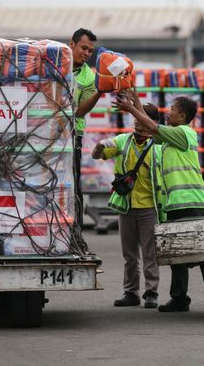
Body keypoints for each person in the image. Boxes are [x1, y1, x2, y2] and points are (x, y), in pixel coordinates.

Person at [115, 91, 204, 314]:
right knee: (177, 253)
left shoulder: (185, 133)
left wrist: (130, 108)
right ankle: (179, 298)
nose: (167, 113)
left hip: (191, 202)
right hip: (174, 204)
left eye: (172, 110)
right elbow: (151, 128)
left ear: (183, 115)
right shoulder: (170, 138)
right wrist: (136, 103)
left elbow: (155, 128)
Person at [93, 103, 163, 309]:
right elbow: (98, 154)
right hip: (126, 206)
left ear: (153, 123)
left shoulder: (159, 146)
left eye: (143, 122)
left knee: (150, 254)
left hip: (149, 207)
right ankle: (131, 292)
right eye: (136, 122)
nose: (139, 127)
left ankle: (151, 292)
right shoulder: (123, 140)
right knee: (129, 255)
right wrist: (98, 147)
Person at [71, 28, 103, 229]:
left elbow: (79, 112)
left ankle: (77, 232)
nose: (86, 53)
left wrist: (99, 92)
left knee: (74, 184)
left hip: (72, 135)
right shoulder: (54, 65)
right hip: (45, 133)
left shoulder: (89, 78)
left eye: (90, 51)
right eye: (84, 48)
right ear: (71, 44)